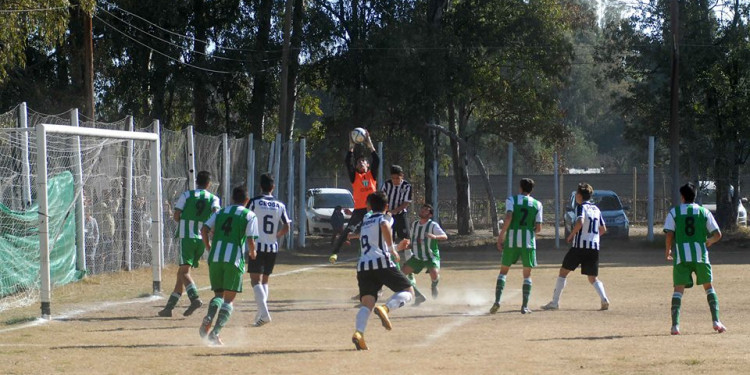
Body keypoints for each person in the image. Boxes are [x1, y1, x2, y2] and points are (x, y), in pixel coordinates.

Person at [331, 191, 414, 350]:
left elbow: (374, 244)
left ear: (369, 206)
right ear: (387, 206)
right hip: (381, 262)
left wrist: (395, 247)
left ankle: (359, 334)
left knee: (366, 304)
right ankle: (386, 308)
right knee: (409, 291)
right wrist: (393, 249)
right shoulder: (385, 219)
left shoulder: (366, 220)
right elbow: (384, 226)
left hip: (363, 266)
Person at [198, 185, 259, 345]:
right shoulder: (249, 215)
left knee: (218, 295)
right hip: (233, 259)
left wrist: (208, 247)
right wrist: (253, 253)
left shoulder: (221, 212)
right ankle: (215, 333)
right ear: (247, 200)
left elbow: (204, 229)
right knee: (229, 300)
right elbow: (251, 239)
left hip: (215, 257)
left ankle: (209, 318)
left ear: (232, 198)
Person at [663, 182, 725, 335]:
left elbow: (669, 233)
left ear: (682, 197)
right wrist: (709, 241)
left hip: (681, 257)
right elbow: (718, 235)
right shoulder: (704, 212)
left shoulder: (674, 212)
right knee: (709, 288)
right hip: (700, 256)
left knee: (678, 290)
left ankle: (675, 326)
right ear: (695, 196)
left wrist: (668, 250)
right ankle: (716, 321)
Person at [158, 171, 221, 317]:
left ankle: (195, 298)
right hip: (202, 238)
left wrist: (185, 222)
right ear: (209, 184)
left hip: (187, 236)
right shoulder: (214, 198)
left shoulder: (187, 195)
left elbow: (176, 215)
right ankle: (169, 308)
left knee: (184, 272)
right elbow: (217, 215)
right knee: (182, 272)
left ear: (196, 181)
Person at [542, 182, 610, 311]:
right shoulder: (596, 209)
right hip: (594, 247)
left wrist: (572, 235)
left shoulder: (581, 207)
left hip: (579, 246)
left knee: (563, 272)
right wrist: (593, 238)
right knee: (593, 278)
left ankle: (555, 303)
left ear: (579, 195)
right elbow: (603, 229)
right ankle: (604, 299)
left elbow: (580, 221)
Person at [490, 178, 543, 315]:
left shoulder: (511, 200)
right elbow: (538, 228)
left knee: (503, 271)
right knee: (527, 274)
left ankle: (497, 301)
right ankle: (524, 306)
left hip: (512, 240)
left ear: (520, 188)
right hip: (528, 243)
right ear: (532, 189)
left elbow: (508, 218)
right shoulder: (538, 204)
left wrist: (501, 236)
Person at [246, 173, 291, 327]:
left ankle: (264, 313)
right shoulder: (280, 205)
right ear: (273, 187)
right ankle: (260, 313)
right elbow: (287, 226)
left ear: (260, 186)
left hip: (257, 246)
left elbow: (245, 217)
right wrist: (276, 235)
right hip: (272, 247)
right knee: (265, 280)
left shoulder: (254, 202)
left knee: (254, 280)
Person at [329, 129, 379, 263]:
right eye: (358, 162)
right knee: (347, 231)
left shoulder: (371, 175)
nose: (361, 163)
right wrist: (351, 146)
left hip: (372, 210)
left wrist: (370, 144)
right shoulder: (355, 176)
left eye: (364, 161)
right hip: (359, 210)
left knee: (377, 232)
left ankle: (382, 254)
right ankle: (335, 253)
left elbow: (377, 160)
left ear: (368, 164)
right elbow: (347, 162)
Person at [401, 204, 448, 305]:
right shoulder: (415, 224)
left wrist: (434, 236)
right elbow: (413, 238)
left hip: (430, 256)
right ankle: (418, 296)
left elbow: (445, 236)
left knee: (434, 274)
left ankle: (434, 285)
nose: (422, 211)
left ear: (430, 215)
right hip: (417, 256)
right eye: (422, 209)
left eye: (426, 210)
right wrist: (409, 245)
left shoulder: (433, 225)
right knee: (401, 275)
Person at [84, 198, 100, 274]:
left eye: (88, 212)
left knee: (91, 258)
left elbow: (97, 232)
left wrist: (96, 242)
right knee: (85, 258)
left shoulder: (94, 220)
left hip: (92, 242)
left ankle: (92, 274)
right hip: (84, 242)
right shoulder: (82, 221)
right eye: (85, 213)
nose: (86, 214)